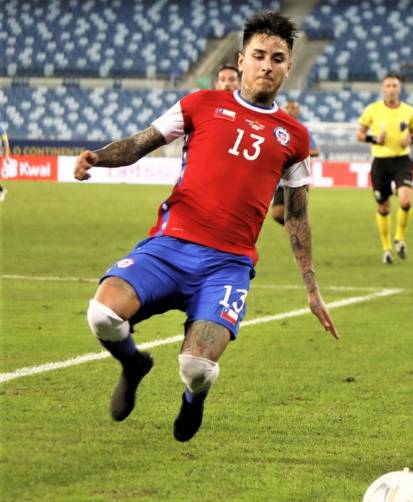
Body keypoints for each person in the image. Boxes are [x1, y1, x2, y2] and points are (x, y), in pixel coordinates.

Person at [73, 11, 338, 443]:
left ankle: (193, 399)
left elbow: (296, 214)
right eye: (259, 55)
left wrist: (311, 287)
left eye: (277, 58)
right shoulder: (201, 104)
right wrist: (98, 157)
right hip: (168, 248)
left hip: (227, 266)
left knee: (196, 368)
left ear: (289, 67)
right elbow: (140, 143)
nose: (267, 65)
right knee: (102, 315)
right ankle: (133, 363)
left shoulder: (295, 138)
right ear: (241, 59)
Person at [356, 74, 413, 264]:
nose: (391, 89)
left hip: (402, 160)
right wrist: (374, 139)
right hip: (380, 163)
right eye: (388, 85)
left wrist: (411, 139)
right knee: (383, 207)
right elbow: (360, 134)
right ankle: (386, 248)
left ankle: (399, 237)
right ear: (383, 89)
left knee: (405, 201)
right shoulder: (372, 110)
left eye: (395, 85)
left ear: (399, 89)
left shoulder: (410, 112)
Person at [271, 98, 320, 224]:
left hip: (298, 179)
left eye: (294, 108)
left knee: (296, 214)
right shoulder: (277, 128)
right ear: (283, 110)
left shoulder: (302, 130)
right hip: (281, 181)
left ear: (298, 111)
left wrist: (294, 154)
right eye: (288, 107)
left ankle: (299, 233)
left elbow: (316, 151)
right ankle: (296, 230)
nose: (291, 111)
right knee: (277, 214)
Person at [0, 124, 10, 201]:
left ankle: (1, 191)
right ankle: (2, 190)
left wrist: (6, 155)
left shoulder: (1, 129)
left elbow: (6, 142)